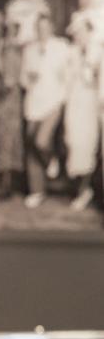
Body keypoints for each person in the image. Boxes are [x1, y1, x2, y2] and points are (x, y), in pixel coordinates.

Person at [21, 13, 70, 209]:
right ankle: (37, 191)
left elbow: (69, 75)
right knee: (32, 148)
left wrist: (62, 86)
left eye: (46, 27)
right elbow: (23, 78)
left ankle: (51, 160)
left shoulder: (61, 47)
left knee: (41, 141)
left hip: (54, 102)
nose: (42, 31)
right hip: (33, 104)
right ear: (36, 29)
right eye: (39, 27)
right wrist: (28, 80)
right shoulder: (29, 50)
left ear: (52, 27)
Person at [64, 11, 102, 211]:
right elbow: (66, 79)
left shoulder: (96, 52)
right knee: (73, 144)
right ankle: (81, 190)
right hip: (74, 104)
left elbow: (93, 80)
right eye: (75, 33)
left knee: (87, 147)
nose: (78, 36)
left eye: (81, 32)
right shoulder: (71, 52)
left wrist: (87, 62)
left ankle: (84, 191)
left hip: (89, 106)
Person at [0, 17, 24, 199]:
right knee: (3, 142)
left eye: (14, 28)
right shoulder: (1, 47)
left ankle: (7, 185)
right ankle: (1, 185)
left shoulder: (17, 50)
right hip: (4, 100)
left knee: (11, 142)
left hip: (13, 100)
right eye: (8, 28)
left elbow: (19, 76)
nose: (10, 31)